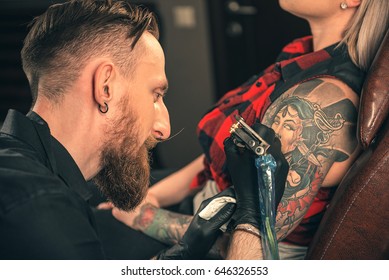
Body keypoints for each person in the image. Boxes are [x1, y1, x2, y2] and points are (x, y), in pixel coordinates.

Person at [104, 0, 389, 259]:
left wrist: (143, 216)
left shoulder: (317, 101)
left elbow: (249, 240)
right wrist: (154, 196)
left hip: (220, 241)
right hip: (202, 200)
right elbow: (225, 149)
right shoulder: (302, 53)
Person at [0, 0, 240, 260]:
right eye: (155, 95)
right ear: (106, 88)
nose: (164, 129)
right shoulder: (45, 213)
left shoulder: (26, 166)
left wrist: (180, 255)